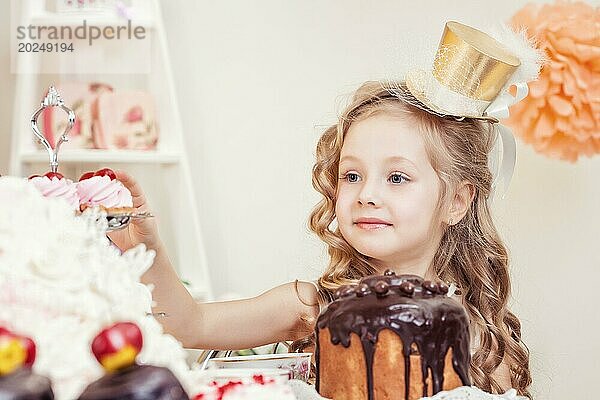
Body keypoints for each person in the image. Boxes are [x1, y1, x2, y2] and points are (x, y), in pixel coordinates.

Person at [108, 21, 540, 398]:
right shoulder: (312, 307)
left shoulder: (480, 339)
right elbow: (190, 323)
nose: (367, 194)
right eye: (352, 176)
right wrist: (146, 250)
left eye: (396, 177)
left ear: (457, 201)